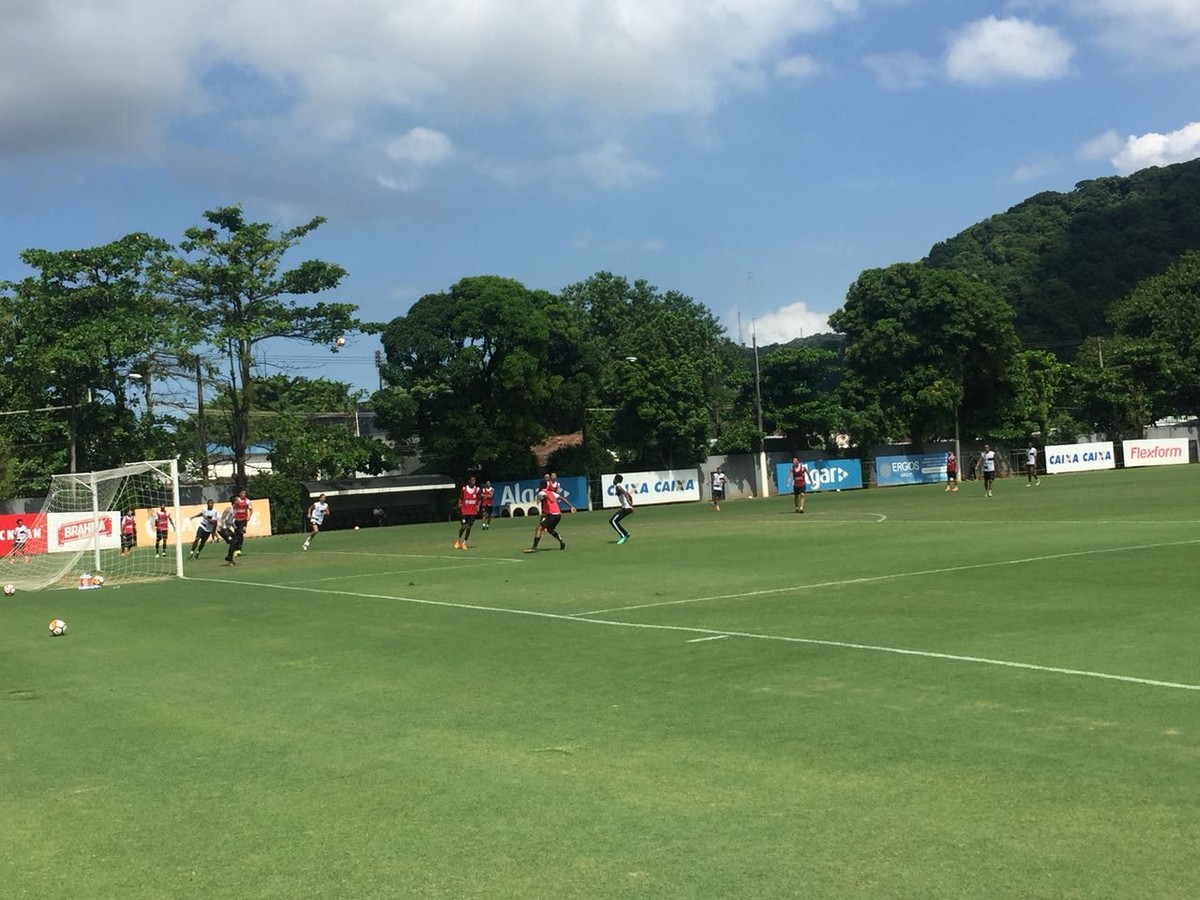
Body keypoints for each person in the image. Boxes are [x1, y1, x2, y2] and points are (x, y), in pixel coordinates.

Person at [524, 476, 574, 553]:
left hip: (552, 515)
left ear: (540, 486)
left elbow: (543, 496)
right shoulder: (552, 492)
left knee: (539, 529)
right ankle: (561, 541)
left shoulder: (541, 493)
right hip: (558, 515)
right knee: (550, 529)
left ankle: (534, 548)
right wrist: (571, 507)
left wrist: (548, 498)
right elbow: (562, 498)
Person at [224, 489, 252, 565]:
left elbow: (230, 521)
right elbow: (224, 520)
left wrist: (235, 527)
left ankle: (231, 557)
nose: (240, 500)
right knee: (234, 541)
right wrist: (226, 528)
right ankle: (229, 557)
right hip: (223, 529)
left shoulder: (234, 509)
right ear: (235, 501)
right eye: (238, 499)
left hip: (234, 524)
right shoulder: (230, 509)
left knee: (235, 540)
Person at [454, 476, 481, 550]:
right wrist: (459, 504)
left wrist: (478, 506)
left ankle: (464, 543)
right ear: (469, 481)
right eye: (472, 480)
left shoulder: (477, 489)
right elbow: (460, 498)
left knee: (469, 527)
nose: (474, 481)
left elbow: (479, 499)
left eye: (474, 480)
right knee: (463, 527)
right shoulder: (464, 489)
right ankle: (458, 540)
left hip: (473, 512)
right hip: (464, 511)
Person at [609, 474, 634, 544]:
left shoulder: (618, 487)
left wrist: (628, 502)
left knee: (612, 521)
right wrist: (631, 506)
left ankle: (623, 536)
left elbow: (625, 494)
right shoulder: (621, 486)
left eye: (614, 479)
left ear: (616, 480)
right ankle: (625, 533)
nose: (613, 481)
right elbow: (630, 496)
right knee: (615, 521)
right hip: (626, 508)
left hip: (626, 508)